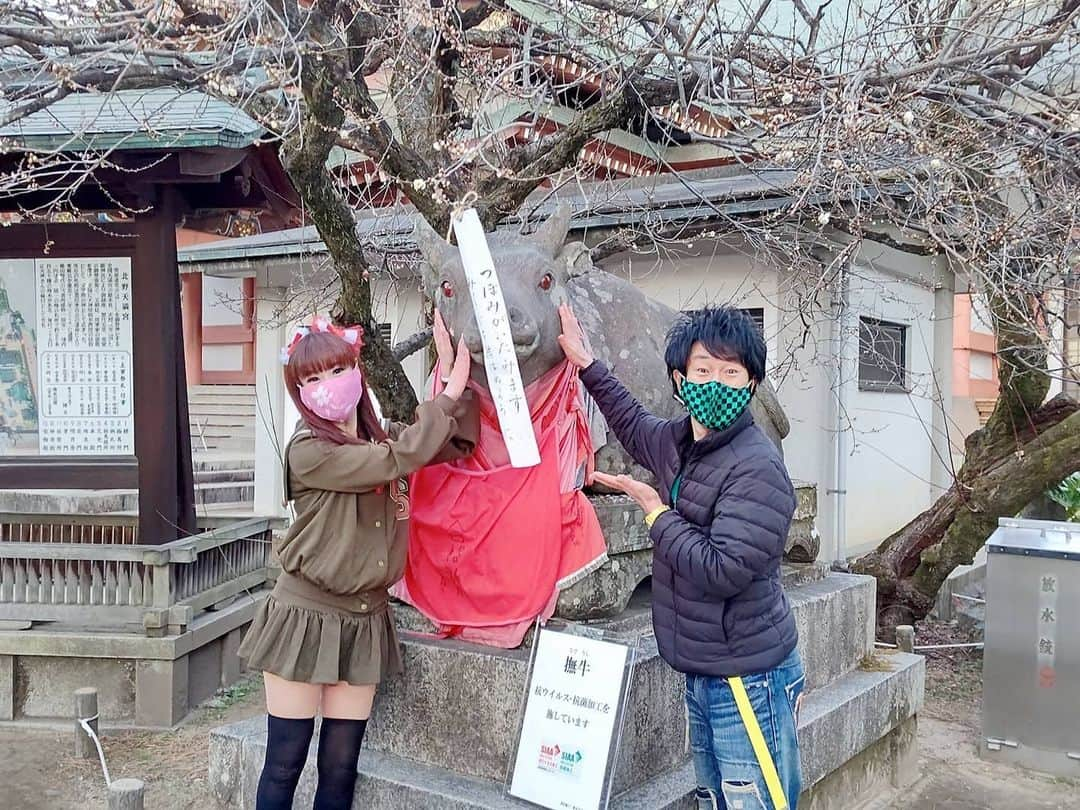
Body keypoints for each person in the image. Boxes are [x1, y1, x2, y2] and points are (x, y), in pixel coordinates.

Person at [558, 303, 804, 810]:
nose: (716, 383)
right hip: (704, 668)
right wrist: (586, 365)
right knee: (715, 799)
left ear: (751, 385)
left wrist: (655, 513)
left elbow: (724, 569)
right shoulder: (679, 443)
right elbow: (631, 421)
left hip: (747, 677)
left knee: (755, 802)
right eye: (703, 370)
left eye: (731, 372)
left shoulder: (757, 468)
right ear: (679, 377)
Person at [238, 314, 477, 810]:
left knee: (341, 767)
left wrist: (455, 378)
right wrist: (444, 398)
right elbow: (395, 461)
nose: (324, 387)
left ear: (356, 370)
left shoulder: (384, 437)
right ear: (299, 393)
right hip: (303, 616)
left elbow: (454, 444)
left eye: (333, 372)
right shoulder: (309, 451)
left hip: (366, 617)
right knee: (285, 761)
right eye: (310, 381)